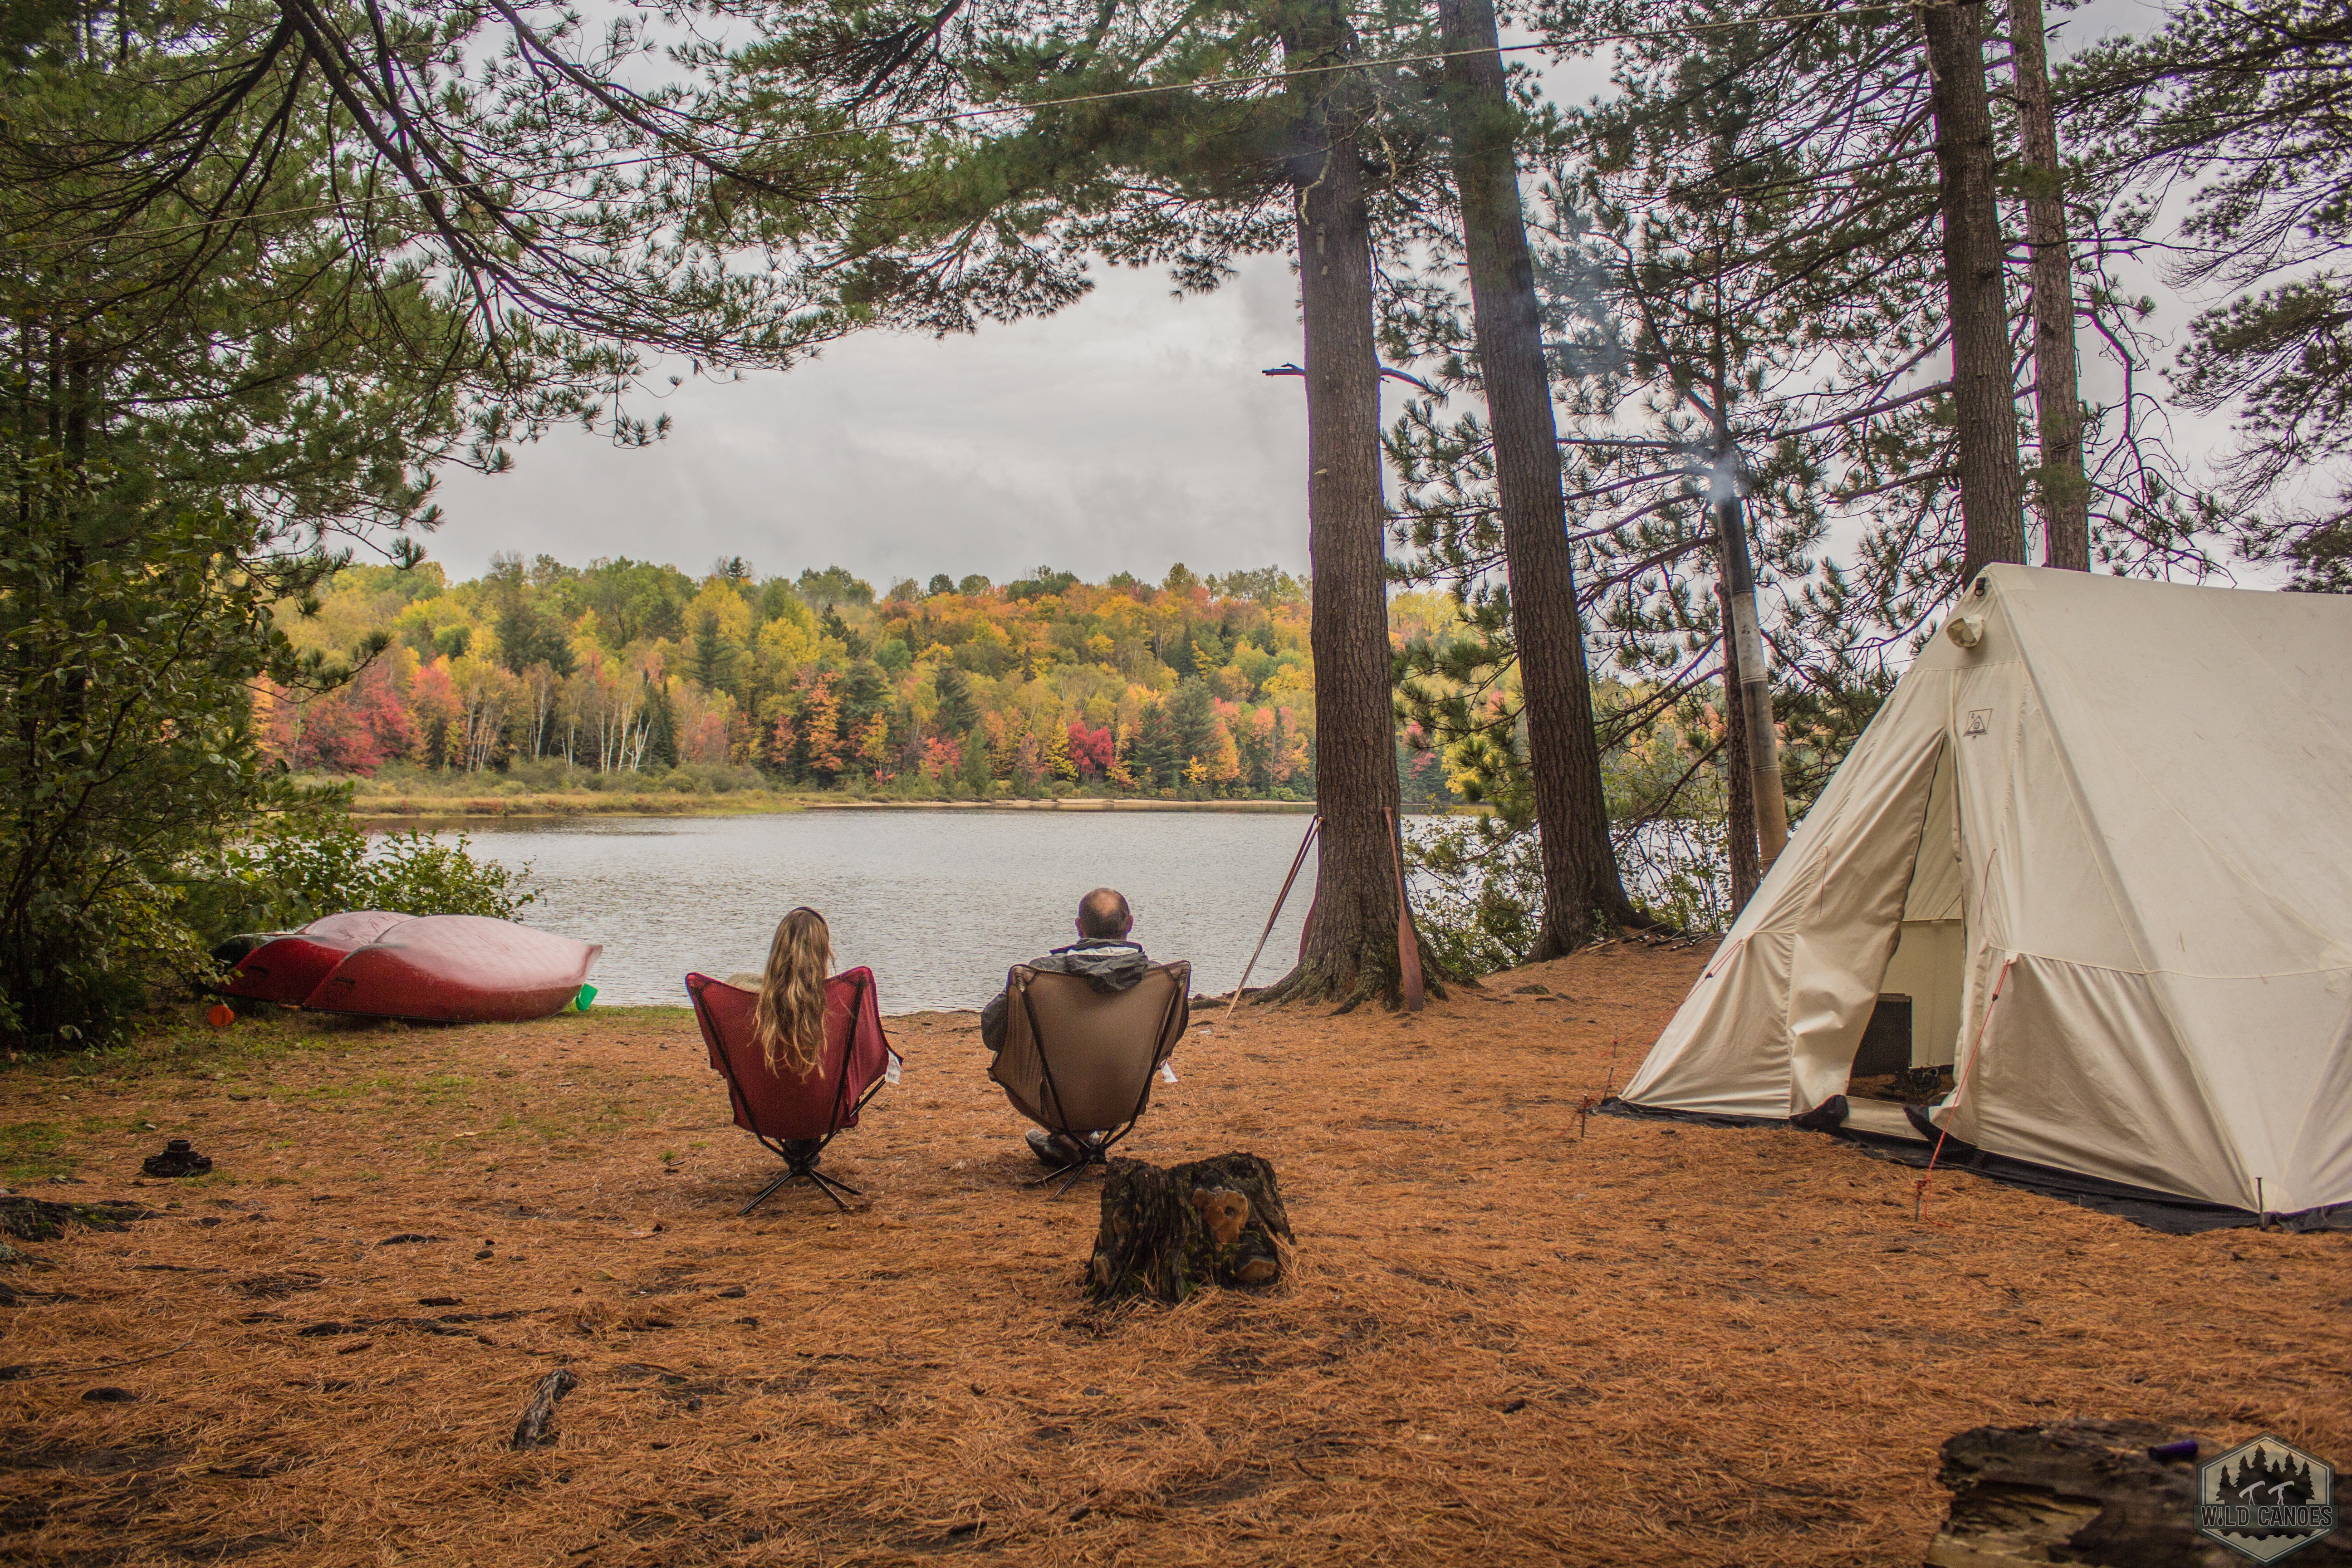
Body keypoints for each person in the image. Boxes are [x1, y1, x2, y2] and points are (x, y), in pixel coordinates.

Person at [981, 887, 1157, 1166]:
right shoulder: (1160, 979)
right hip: (1127, 1093)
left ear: (1079, 927)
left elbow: (993, 1033)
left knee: (1002, 1062)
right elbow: (1166, 1044)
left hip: (1060, 1098)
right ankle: (1083, 1137)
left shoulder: (1040, 975)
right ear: (1130, 924)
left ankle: (1069, 1138)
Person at [729, 906, 834, 1166]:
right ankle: (805, 1151)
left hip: (762, 1105)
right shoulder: (843, 1000)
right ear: (823, 952)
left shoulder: (740, 998)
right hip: (828, 1106)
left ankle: (797, 1153)